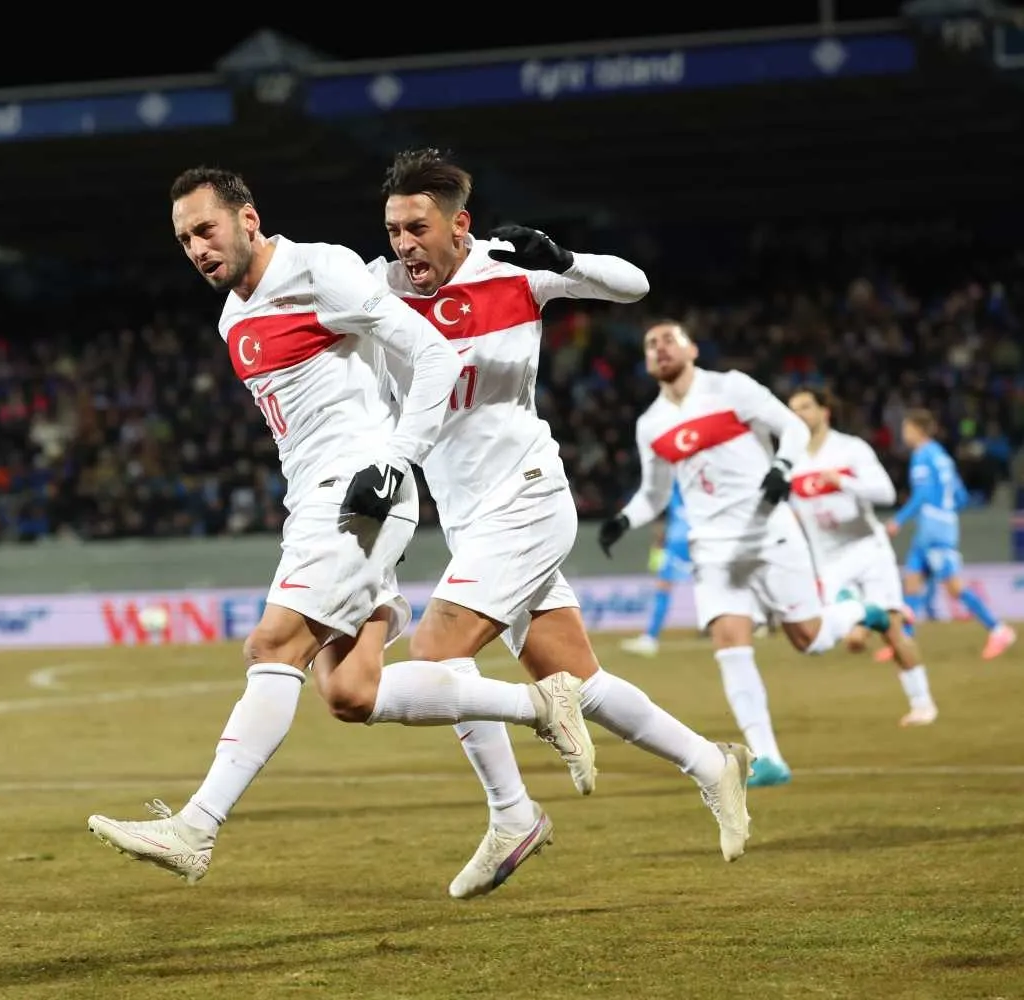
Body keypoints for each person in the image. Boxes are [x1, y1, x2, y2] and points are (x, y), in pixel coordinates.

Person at [87, 167, 597, 886]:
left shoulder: (319, 269)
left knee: (270, 644)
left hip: (360, 494)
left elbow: (432, 353)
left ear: (249, 220)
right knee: (351, 694)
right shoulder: (233, 316)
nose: (197, 248)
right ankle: (536, 714)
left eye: (206, 230)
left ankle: (195, 829)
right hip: (315, 502)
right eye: (183, 239)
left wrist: (395, 459)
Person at [355, 149, 751, 897]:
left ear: (458, 224)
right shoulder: (379, 290)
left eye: (417, 227)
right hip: (471, 521)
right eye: (392, 229)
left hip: (530, 497)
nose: (403, 245)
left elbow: (634, 287)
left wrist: (566, 258)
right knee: (578, 681)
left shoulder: (510, 268)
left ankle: (513, 814)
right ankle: (712, 763)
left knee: (439, 655)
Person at [599, 322, 896, 789]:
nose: (659, 348)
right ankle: (768, 760)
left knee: (810, 639)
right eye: (650, 344)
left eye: (668, 340)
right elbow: (654, 495)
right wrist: (623, 520)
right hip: (712, 549)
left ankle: (862, 612)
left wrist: (781, 466)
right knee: (729, 643)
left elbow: (793, 428)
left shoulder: (731, 387)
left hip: (769, 534)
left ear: (692, 349)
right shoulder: (650, 424)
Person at [785, 388, 936, 726]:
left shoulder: (850, 449)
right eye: (792, 410)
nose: (798, 415)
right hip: (829, 560)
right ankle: (870, 616)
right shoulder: (790, 460)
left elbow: (885, 492)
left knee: (891, 632)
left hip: (868, 549)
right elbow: (789, 508)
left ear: (825, 412)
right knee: (846, 639)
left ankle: (922, 703)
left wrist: (842, 481)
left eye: (805, 407)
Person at [888, 409, 1015, 660]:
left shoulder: (922, 456)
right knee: (912, 582)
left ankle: (999, 629)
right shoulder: (942, 456)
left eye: (906, 428)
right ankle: (904, 641)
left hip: (933, 529)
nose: (903, 433)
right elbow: (960, 496)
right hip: (940, 524)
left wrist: (899, 520)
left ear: (917, 430)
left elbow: (923, 494)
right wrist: (946, 513)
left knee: (954, 586)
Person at [621, 482, 692, 658]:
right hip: (703, 533)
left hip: (679, 537)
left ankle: (650, 638)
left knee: (663, 586)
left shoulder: (673, 475)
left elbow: (653, 500)